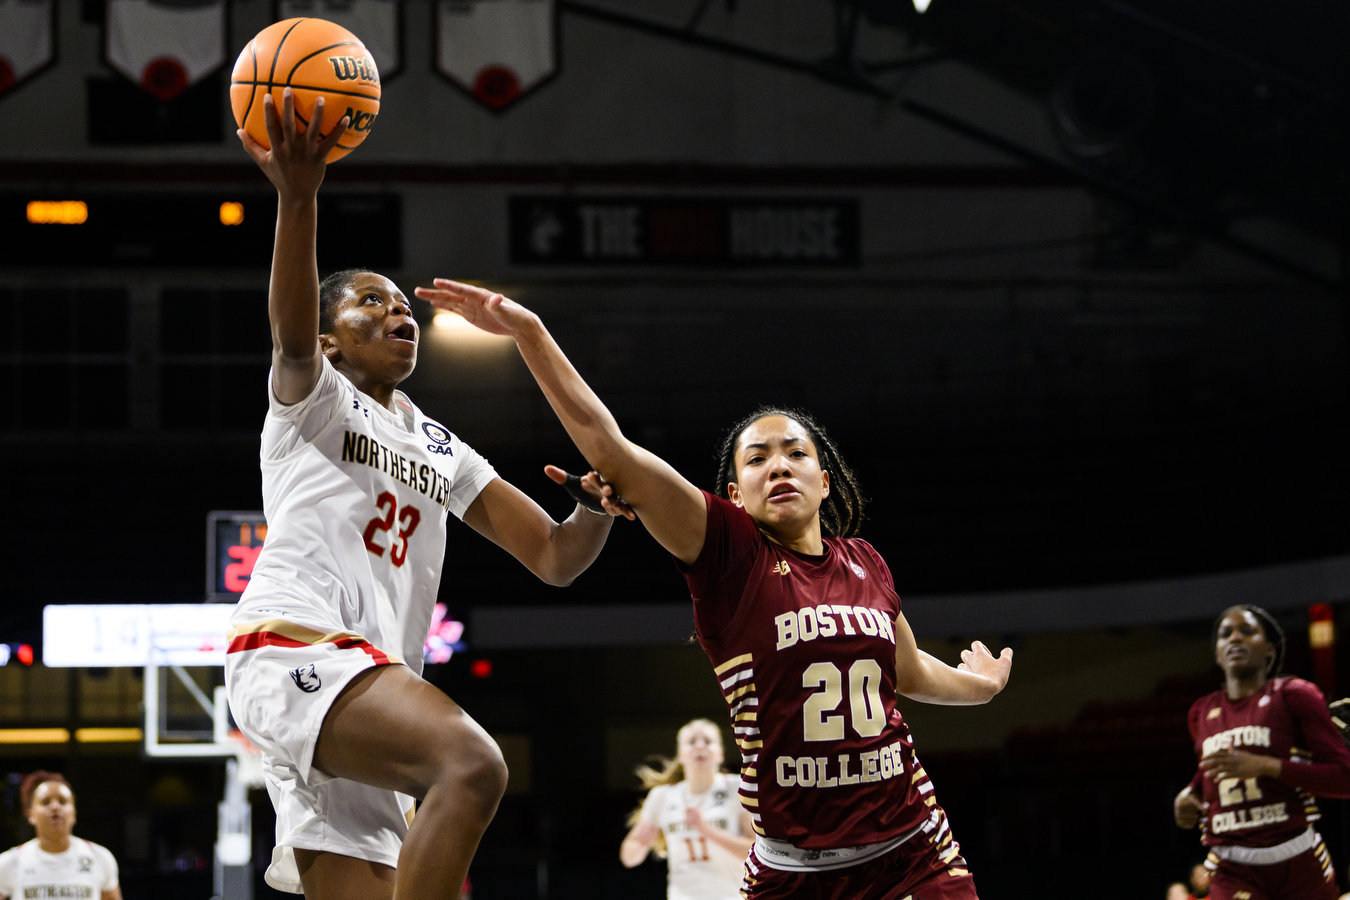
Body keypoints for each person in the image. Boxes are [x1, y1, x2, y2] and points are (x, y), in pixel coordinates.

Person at [413, 280, 1015, 900]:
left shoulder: (867, 562)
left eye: (795, 453)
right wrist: (530, 333)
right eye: (756, 459)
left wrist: (983, 687)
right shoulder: (729, 554)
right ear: (734, 495)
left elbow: (908, 671)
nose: (779, 465)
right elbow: (611, 451)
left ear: (825, 480)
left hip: (912, 850)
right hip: (795, 871)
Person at [226, 90, 616, 900]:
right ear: (333, 340)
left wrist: (594, 510)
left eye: (404, 304)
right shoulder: (315, 396)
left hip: (368, 690)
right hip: (300, 648)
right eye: (371, 300)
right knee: (473, 763)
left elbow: (552, 559)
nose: (398, 310)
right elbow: (290, 333)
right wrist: (298, 198)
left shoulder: (441, 445)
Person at [1173, 605, 1350, 900]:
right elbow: (1213, 769)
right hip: (1232, 865)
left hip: (1297, 857)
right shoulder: (1201, 712)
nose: (1235, 639)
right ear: (1217, 652)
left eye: (1247, 631)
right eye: (1225, 634)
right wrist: (1190, 793)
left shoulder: (1295, 695)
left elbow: (1345, 779)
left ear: (1269, 649)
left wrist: (1266, 766)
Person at [620, 718, 754, 900]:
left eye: (707, 741)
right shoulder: (662, 796)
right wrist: (641, 844)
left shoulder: (737, 788)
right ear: (680, 755)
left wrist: (707, 830)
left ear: (720, 754)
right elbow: (629, 858)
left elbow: (754, 853)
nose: (700, 747)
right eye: (691, 742)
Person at [0, 772, 121, 900]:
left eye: (63, 801)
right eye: (45, 802)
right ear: (30, 814)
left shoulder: (100, 858)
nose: (55, 807)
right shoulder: (9, 862)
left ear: (74, 813)